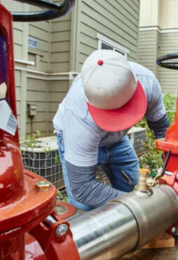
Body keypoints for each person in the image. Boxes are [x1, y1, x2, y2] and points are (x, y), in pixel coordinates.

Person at [53, 50, 169, 210]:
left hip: (117, 141)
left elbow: (161, 128)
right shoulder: (79, 114)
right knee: (85, 211)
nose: (120, 122)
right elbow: (83, 189)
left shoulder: (148, 83)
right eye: (112, 116)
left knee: (133, 186)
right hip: (76, 137)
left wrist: (171, 166)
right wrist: (137, 203)